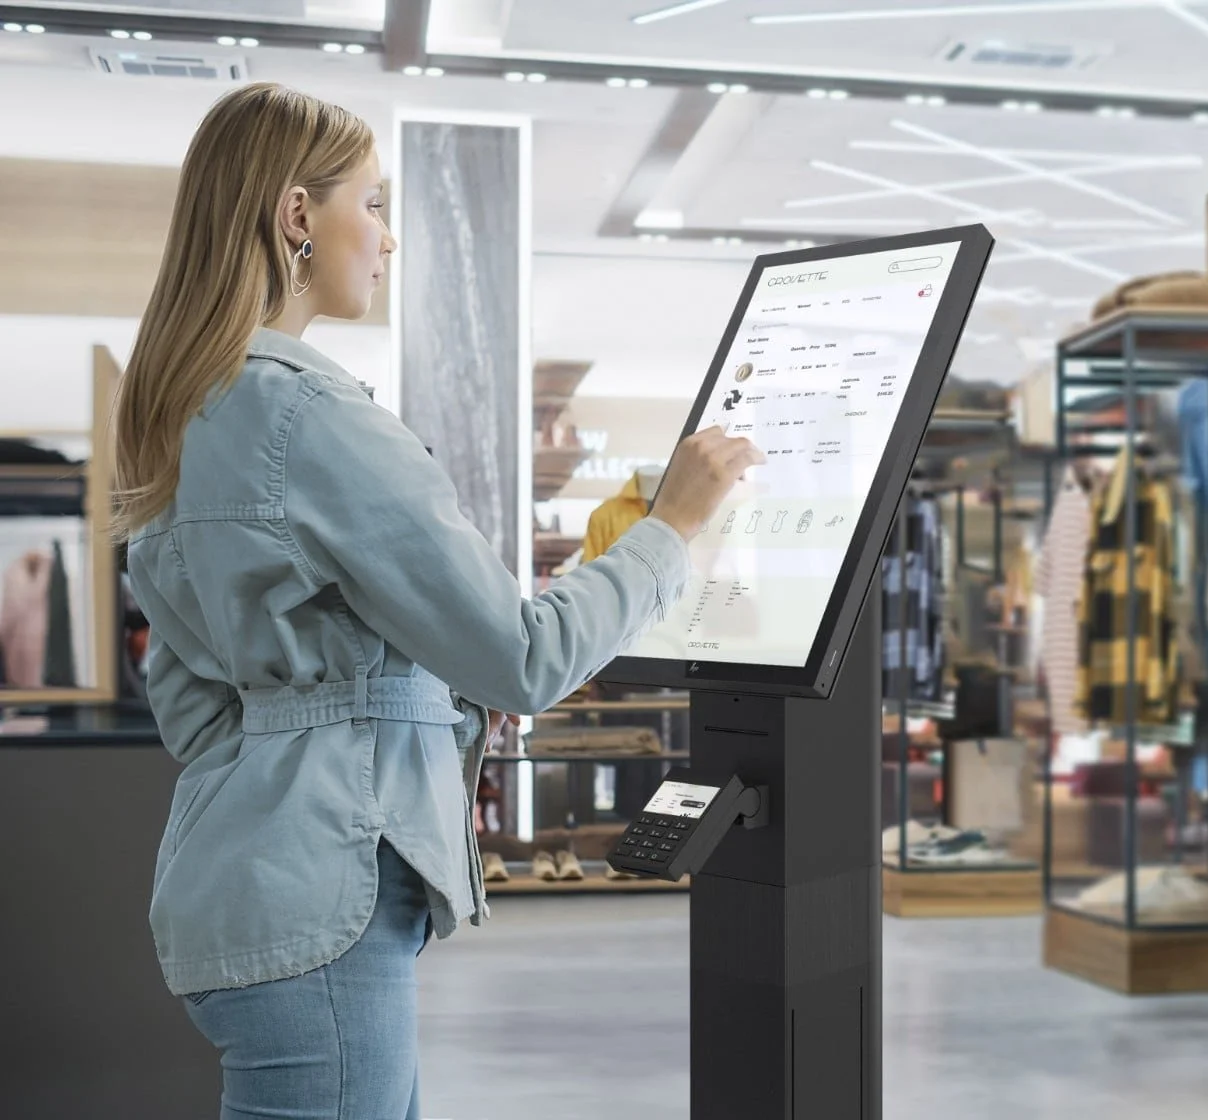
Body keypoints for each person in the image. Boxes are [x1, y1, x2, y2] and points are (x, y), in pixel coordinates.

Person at [110, 82, 761, 1120]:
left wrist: (371, 701)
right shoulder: (312, 416)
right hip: (326, 903)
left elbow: (192, 706)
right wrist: (670, 526)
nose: (388, 239)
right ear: (295, 218)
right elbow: (522, 656)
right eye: (372, 204)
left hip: (232, 891)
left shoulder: (182, 413)